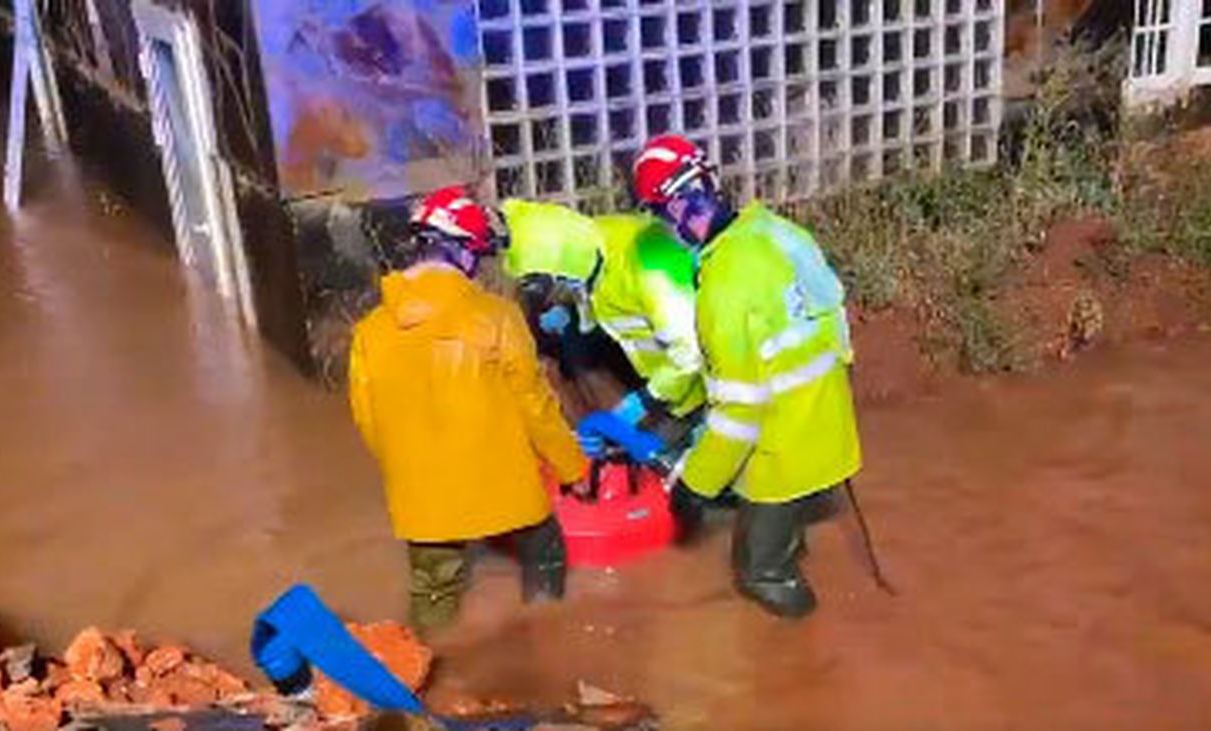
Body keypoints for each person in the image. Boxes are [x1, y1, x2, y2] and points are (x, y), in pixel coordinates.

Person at [631, 135, 863, 618]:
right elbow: (833, 308)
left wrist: (695, 483)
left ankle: (802, 660)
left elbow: (740, 409)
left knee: (758, 568)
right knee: (787, 526)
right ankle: (793, 547)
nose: (661, 226)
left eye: (657, 214)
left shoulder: (723, 288)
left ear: (675, 208)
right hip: (831, 421)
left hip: (783, 447)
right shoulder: (776, 231)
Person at [347, 186, 586, 631]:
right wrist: (572, 466)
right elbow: (534, 404)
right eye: (477, 255)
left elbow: (368, 420)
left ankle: (436, 673)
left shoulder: (369, 331)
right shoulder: (497, 317)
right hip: (502, 484)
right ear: (461, 252)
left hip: (421, 497)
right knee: (545, 548)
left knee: (433, 589)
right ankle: (549, 641)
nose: (478, 268)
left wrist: (406, 470)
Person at [499, 199, 705, 457]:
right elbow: (613, 302)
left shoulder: (648, 263)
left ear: (563, 263)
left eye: (554, 280)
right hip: (677, 390)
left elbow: (691, 349)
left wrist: (646, 400)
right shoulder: (591, 247)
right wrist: (576, 314)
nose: (555, 290)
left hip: (710, 388)